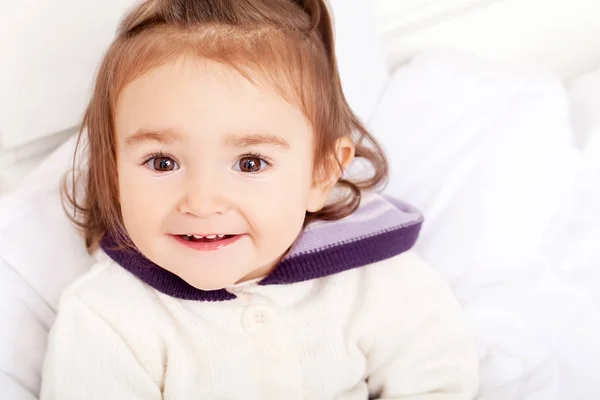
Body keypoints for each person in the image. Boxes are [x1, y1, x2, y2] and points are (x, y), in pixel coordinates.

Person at [40, 0, 479, 398]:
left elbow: (439, 382)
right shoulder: (107, 320)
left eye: (250, 163)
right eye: (161, 163)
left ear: (321, 173)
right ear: (112, 170)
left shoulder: (374, 277)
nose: (201, 201)